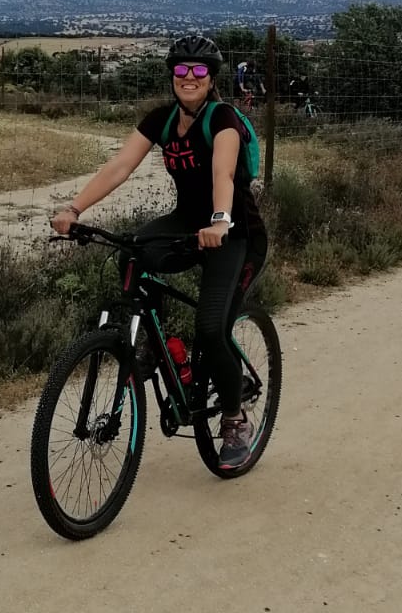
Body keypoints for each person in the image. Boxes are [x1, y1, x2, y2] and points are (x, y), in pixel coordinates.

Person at [51, 34, 268, 469]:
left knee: (211, 329)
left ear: (211, 79)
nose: (189, 77)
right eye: (181, 69)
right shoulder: (162, 120)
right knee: (132, 252)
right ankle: (152, 343)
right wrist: (75, 209)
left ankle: (234, 419)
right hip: (186, 222)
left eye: (199, 70)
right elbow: (120, 166)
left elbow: (223, 174)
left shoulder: (222, 118)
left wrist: (219, 220)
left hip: (235, 234)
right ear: (171, 75)